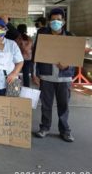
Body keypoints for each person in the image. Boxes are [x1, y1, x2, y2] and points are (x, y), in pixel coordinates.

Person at [33, 8, 75, 142]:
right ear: (49, 21)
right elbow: (36, 55)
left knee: (64, 106)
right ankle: (44, 128)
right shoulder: (42, 36)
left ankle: (65, 131)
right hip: (46, 77)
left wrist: (68, 65)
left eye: (58, 19)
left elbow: (76, 56)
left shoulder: (70, 37)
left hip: (64, 77)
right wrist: (35, 74)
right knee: (46, 105)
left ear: (63, 21)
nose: (55, 22)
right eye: (53, 20)